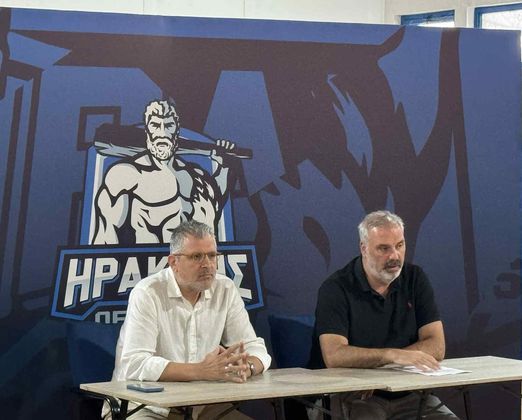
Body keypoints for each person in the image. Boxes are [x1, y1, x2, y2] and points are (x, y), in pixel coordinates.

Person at [105, 220, 271, 419]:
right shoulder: (148, 293)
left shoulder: (225, 289)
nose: (207, 265)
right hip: (145, 406)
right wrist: (201, 371)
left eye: (212, 255)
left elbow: (254, 347)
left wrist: (247, 367)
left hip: (202, 405)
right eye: (196, 256)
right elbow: (135, 364)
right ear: (174, 262)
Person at [309, 210, 459, 419]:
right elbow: (334, 355)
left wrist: (386, 366)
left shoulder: (415, 278)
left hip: (409, 392)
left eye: (400, 245)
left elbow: (436, 346)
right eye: (384, 248)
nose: (394, 256)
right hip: (353, 394)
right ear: (364, 248)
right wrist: (391, 355)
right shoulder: (336, 288)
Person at [93, 99, 235, 245]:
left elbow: (215, 204)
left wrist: (224, 166)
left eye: (168, 126)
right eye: (155, 125)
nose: (162, 133)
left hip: (196, 259)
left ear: (177, 130)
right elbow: (105, 236)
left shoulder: (197, 177)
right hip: (148, 260)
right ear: (147, 130)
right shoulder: (125, 175)